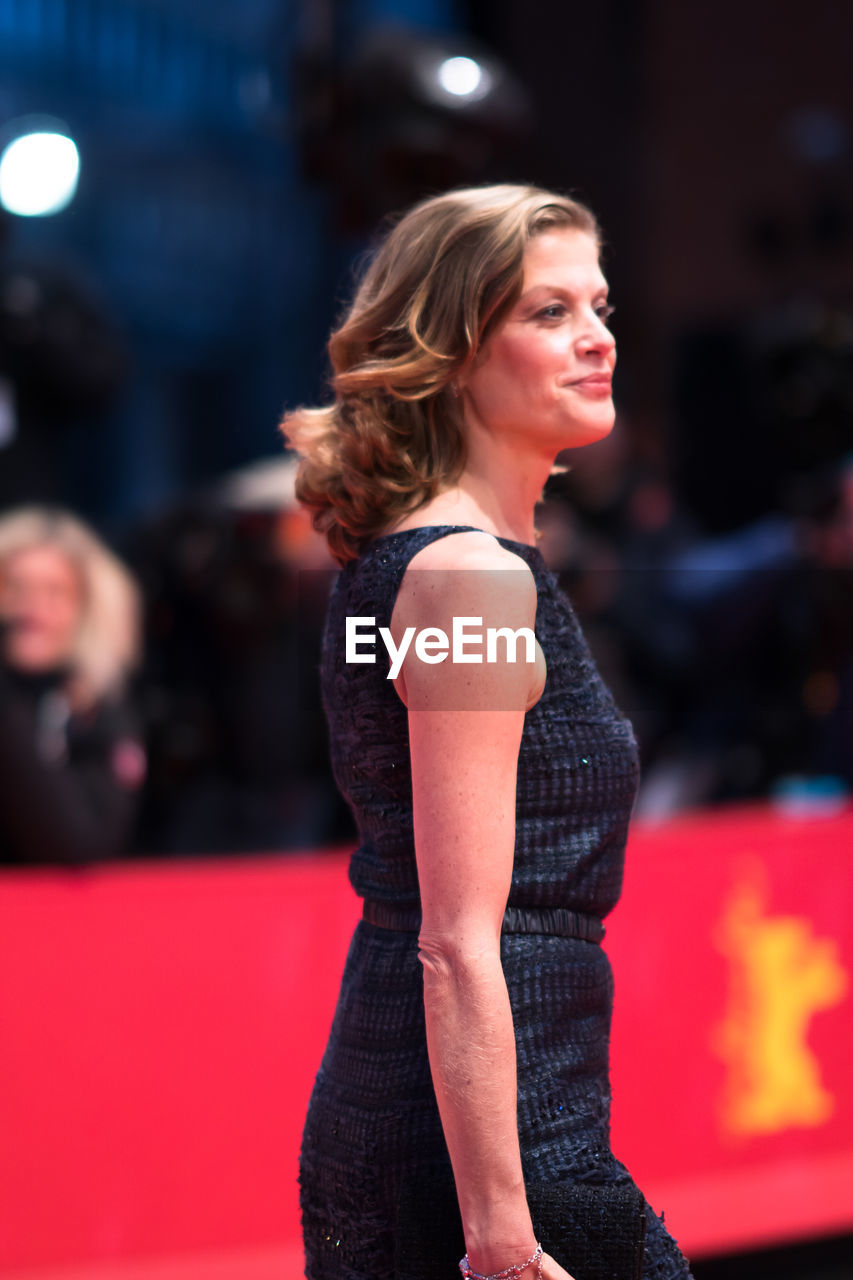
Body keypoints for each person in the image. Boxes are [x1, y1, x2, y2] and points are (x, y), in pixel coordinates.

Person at [281, 184, 694, 1280]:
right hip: (487, 1151)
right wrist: (501, 1235)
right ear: (451, 349)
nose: (597, 338)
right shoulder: (465, 576)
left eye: (598, 305)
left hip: (468, 1114)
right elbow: (455, 937)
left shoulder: (446, 563)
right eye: (547, 312)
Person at [0, 505, 146, 864]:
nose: (32, 609)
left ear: (85, 610)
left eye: (55, 593)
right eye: (15, 588)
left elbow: (76, 844)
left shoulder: (98, 713)